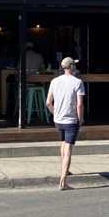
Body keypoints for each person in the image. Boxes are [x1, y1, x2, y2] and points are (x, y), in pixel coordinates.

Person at [46, 57, 85, 191]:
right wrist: (80, 119)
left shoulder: (54, 81)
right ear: (72, 67)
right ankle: (63, 181)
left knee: (63, 143)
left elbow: (48, 103)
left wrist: (54, 113)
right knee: (68, 149)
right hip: (70, 119)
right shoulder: (78, 82)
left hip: (58, 119)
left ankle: (64, 170)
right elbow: (79, 104)